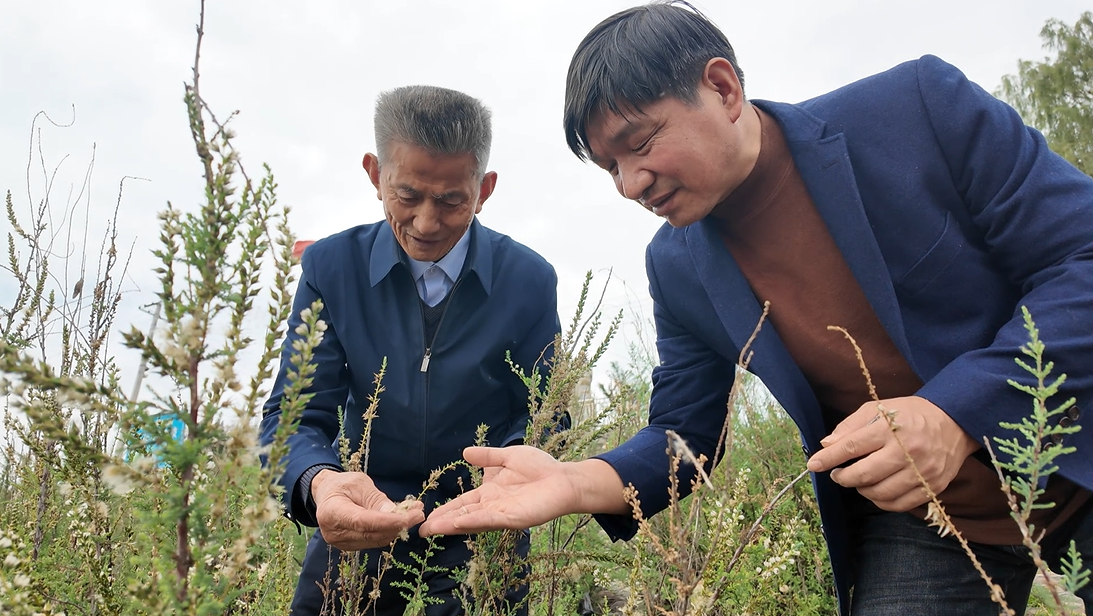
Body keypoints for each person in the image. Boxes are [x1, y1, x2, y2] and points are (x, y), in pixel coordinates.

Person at [419, 2, 1093, 615]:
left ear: (722, 88)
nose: (629, 184)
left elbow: (1081, 258)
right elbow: (684, 434)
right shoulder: (677, 264)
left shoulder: (915, 110)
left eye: (641, 143)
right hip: (926, 519)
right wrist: (576, 481)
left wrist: (954, 412)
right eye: (609, 167)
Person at [260, 85, 561, 615]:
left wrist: (512, 471)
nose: (426, 223)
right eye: (407, 195)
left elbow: (543, 414)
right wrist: (319, 482)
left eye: (451, 201)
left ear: (485, 188)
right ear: (375, 173)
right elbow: (294, 415)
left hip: (484, 529)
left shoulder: (529, 280)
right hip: (359, 525)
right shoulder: (332, 269)